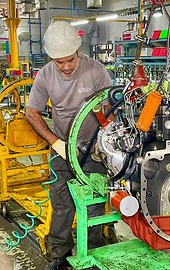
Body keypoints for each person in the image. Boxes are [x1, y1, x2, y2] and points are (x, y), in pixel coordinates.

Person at [25, 21, 112, 270]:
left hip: (94, 150)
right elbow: (32, 112)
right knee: (62, 203)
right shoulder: (45, 75)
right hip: (63, 149)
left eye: (70, 60)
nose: (65, 67)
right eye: (59, 62)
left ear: (78, 51)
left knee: (95, 203)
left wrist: (107, 139)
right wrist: (56, 142)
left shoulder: (96, 71)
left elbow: (109, 109)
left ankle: (94, 251)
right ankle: (59, 252)